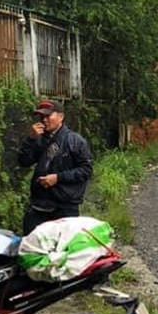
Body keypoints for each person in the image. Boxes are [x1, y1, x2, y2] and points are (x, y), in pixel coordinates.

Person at [18, 99, 93, 235]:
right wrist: (30, 140)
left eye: (48, 116)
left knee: (63, 249)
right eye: (41, 117)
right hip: (39, 204)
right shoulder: (38, 139)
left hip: (65, 206)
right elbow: (24, 162)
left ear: (61, 117)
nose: (44, 120)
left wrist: (57, 178)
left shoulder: (75, 141)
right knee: (31, 243)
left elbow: (86, 170)